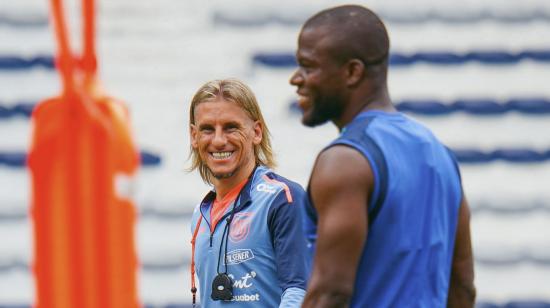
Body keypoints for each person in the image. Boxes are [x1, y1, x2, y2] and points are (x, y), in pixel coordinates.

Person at [289, 5, 476, 308]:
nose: (296, 79)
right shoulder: (440, 155)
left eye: (308, 66)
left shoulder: (345, 161)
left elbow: (330, 293)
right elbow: (463, 289)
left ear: (352, 72)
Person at [188, 78, 310, 307]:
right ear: (194, 136)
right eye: (207, 129)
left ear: (256, 132)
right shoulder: (200, 215)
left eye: (230, 127)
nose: (218, 140)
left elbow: (300, 292)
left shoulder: (282, 198)